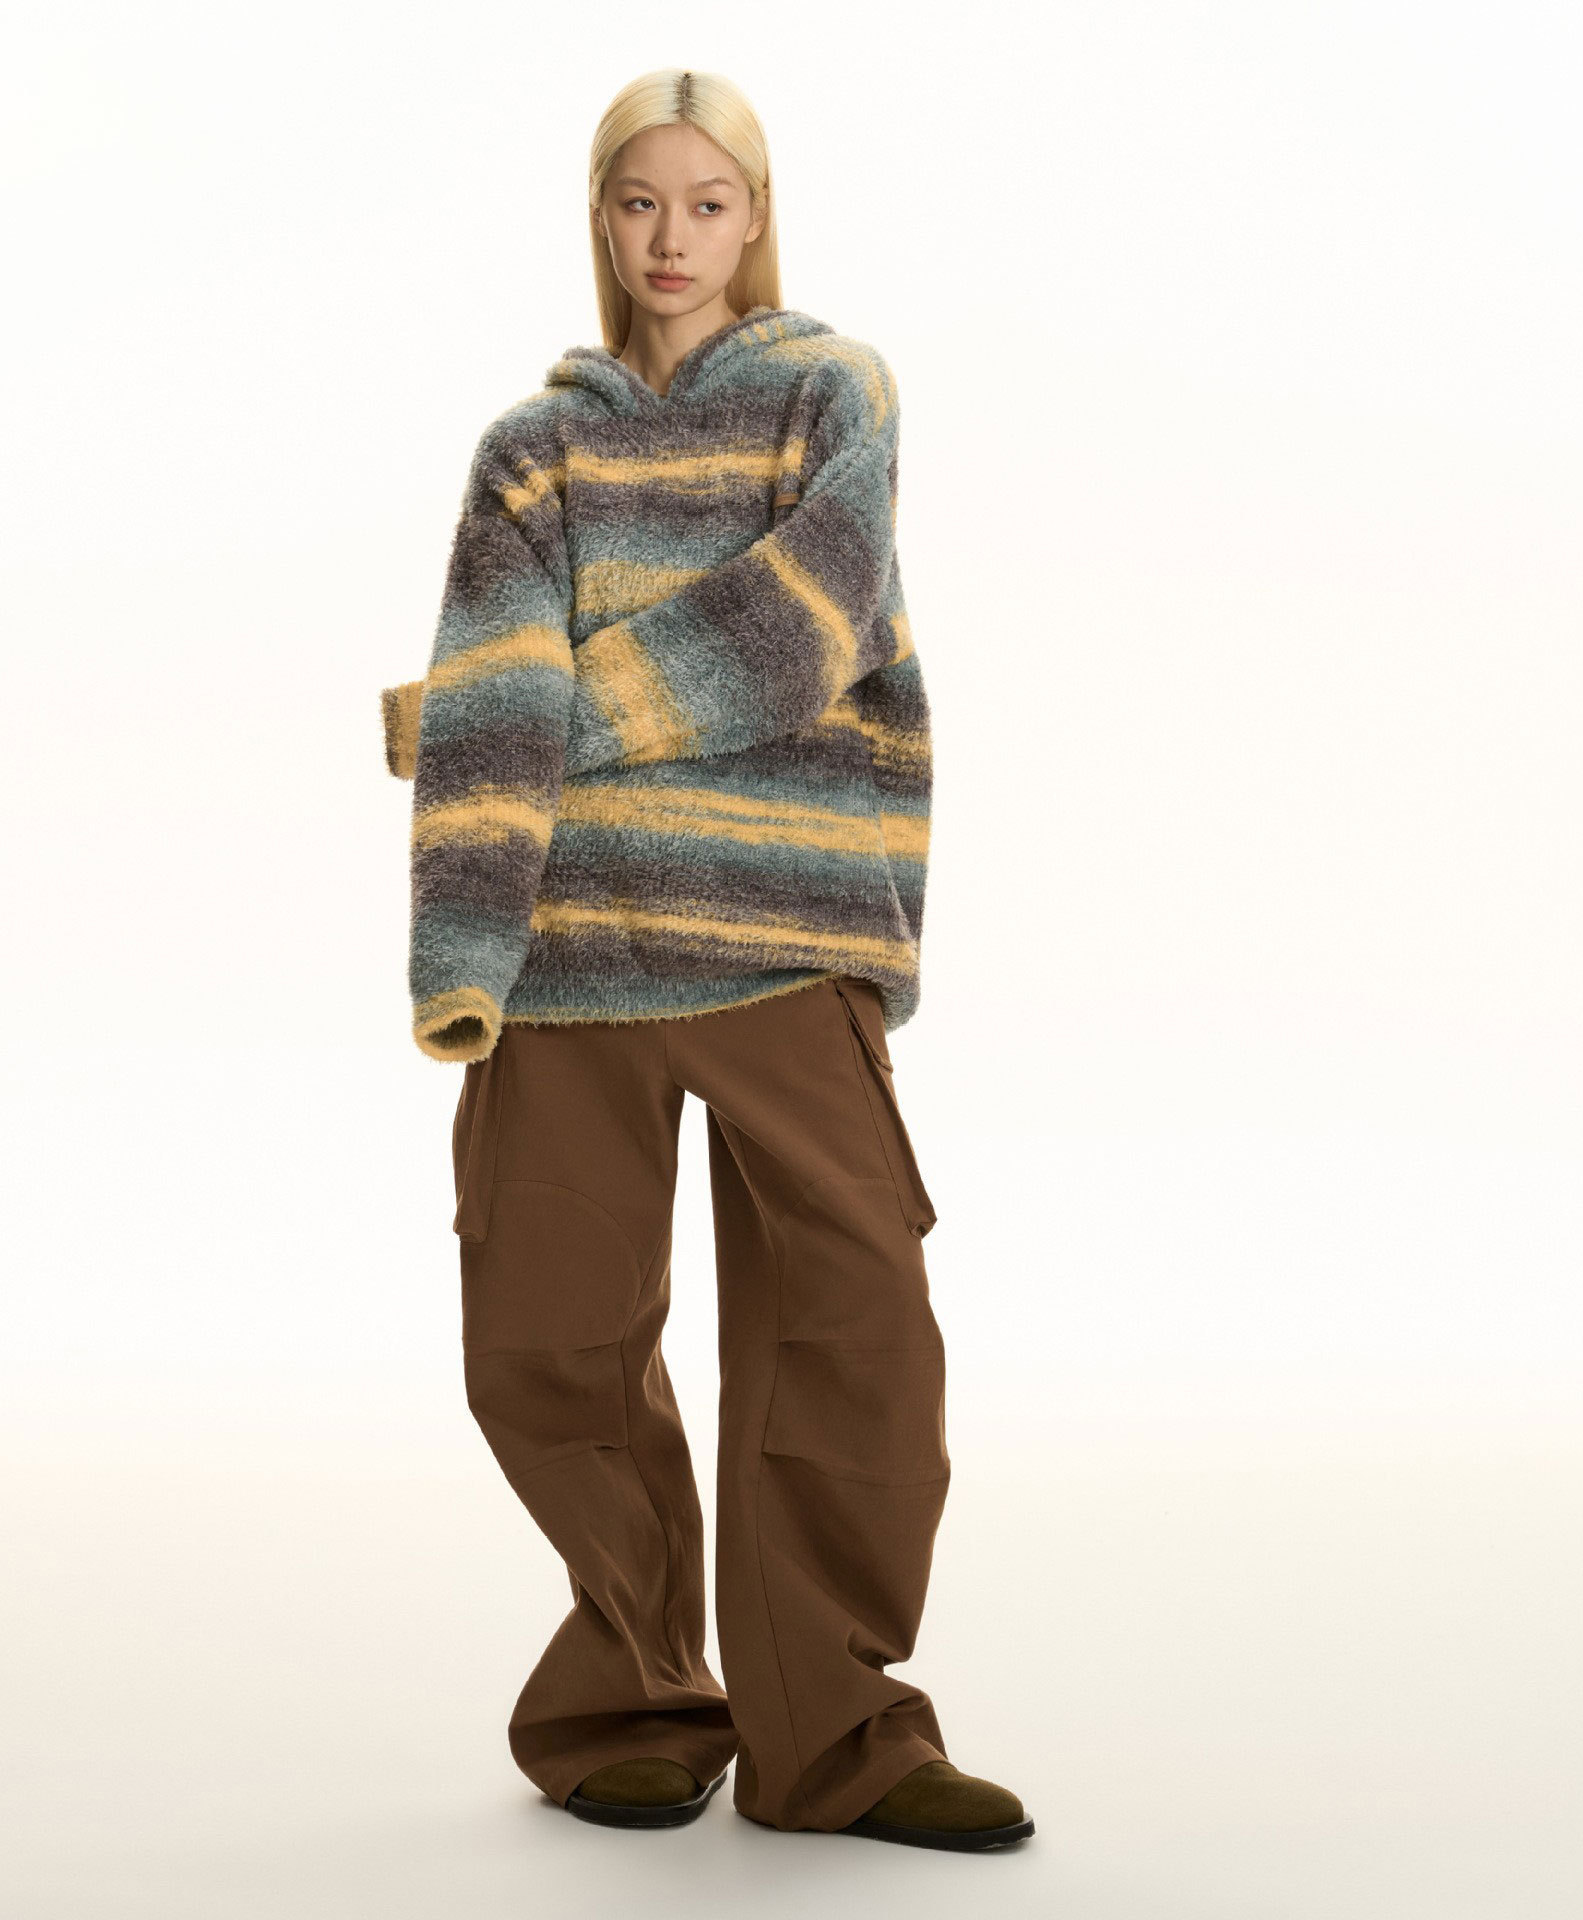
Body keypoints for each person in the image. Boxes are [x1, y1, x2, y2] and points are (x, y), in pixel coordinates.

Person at [377, 68, 1034, 1855]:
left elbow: (798, 630)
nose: (671, 239)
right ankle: (636, 1696)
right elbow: (490, 690)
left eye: (707, 202)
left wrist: (499, 718)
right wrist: (461, 946)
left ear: (756, 215)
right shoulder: (535, 448)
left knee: (855, 1333)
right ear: (601, 221)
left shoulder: (830, 394)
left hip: (788, 939)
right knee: (547, 1342)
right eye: (637, 202)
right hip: (570, 956)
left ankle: (842, 1735)